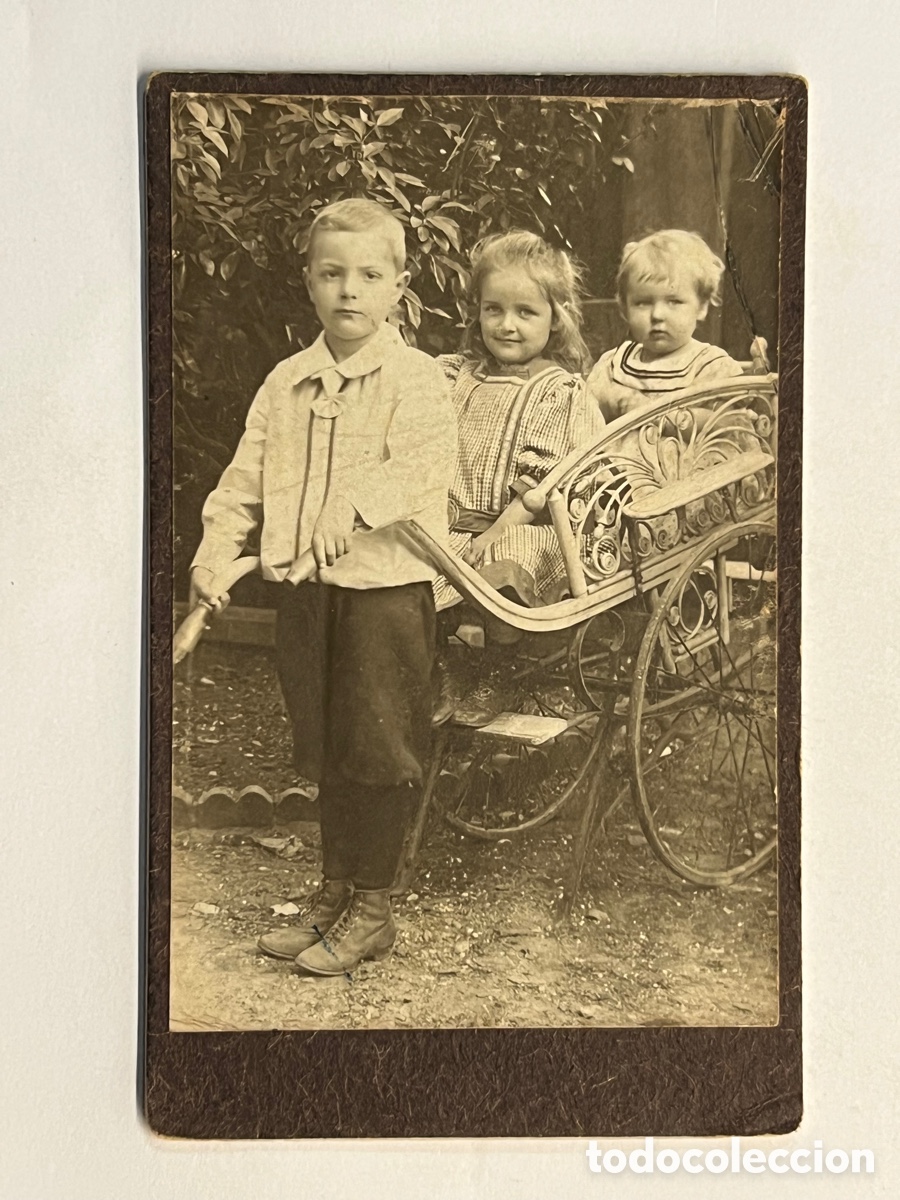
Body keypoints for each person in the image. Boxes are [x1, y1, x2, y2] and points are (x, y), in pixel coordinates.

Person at [189, 198, 457, 977]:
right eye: (332, 273)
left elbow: (421, 466)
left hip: (384, 593)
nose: (350, 290)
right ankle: (337, 888)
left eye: (370, 275)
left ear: (399, 287)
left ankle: (374, 907)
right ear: (308, 281)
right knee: (330, 747)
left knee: (378, 748)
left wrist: (353, 503)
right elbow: (244, 479)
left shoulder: (416, 379)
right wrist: (215, 553)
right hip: (309, 597)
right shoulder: (287, 382)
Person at [434, 230, 605, 616]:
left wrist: (494, 534)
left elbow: (540, 487)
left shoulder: (558, 392)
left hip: (515, 527)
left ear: (556, 319)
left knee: (507, 565)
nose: (507, 324)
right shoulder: (455, 376)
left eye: (525, 312)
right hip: (451, 529)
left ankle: (506, 663)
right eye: (494, 309)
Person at [586, 230, 744, 422]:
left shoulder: (711, 367)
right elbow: (585, 416)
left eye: (674, 302)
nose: (657, 315)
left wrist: (642, 410)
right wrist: (604, 405)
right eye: (642, 303)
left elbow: (726, 423)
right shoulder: (612, 366)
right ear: (624, 309)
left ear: (702, 307)